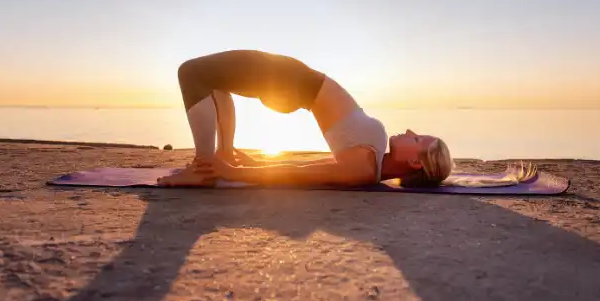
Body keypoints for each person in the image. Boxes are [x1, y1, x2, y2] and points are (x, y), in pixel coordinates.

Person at [157, 50, 453, 188]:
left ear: (416, 163)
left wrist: (236, 174)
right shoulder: (370, 163)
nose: (411, 131)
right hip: (296, 83)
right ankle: (217, 157)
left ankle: (204, 167)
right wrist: (258, 164)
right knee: (214, 80)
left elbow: (298, 175)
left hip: (293, 82)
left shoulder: (363, 168)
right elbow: (311, 167)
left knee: (192, 72)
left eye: (417, 139)